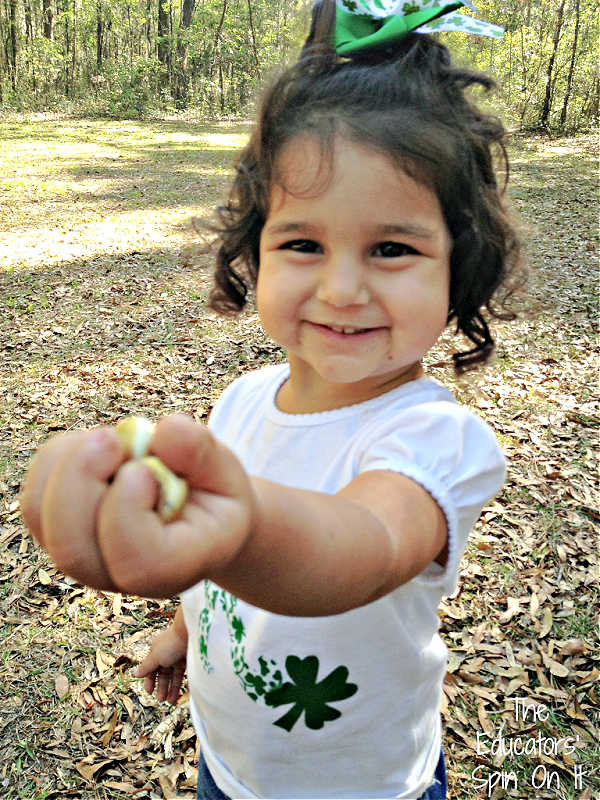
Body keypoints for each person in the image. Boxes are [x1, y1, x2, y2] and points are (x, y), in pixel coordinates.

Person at [21, 2, 523, 797]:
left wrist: (233, 529)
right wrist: (184, 624)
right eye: (303, 243)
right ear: (253, 252)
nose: (343, 287)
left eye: (392, 248)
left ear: (457, 268)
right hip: (230, 764)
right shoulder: (246, 401)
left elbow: (358, 549)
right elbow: (221, 575)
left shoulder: (435, 441)